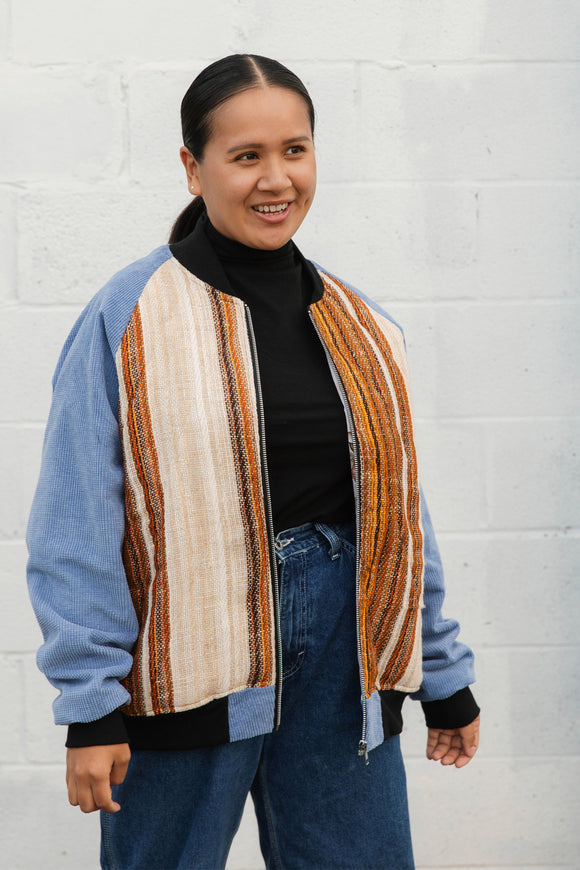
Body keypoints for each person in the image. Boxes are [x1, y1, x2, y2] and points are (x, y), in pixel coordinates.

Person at [27, 54, 480, 870]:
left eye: (295, 150)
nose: (277, 179)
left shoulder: (363, 324)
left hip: (346, 674)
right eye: (246, 157)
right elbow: (75, 522)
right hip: (187, 665)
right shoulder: (129, 317)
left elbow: (396, 515)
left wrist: (441, 671)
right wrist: (90, 706)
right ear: (192, 168)